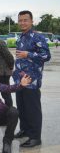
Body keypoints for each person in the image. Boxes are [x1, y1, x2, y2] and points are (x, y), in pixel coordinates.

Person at [13, 10, 51, 148]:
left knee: (33, 110)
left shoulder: (37, 37)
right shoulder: (21, 37)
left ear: (31, 21)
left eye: (25, 20)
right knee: (21, 108)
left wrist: (28, 54)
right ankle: (24, 130)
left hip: (31, 81)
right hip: (19, 80)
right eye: (20, 20)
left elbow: (46, 56)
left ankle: (35, 137)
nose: (22, 23)